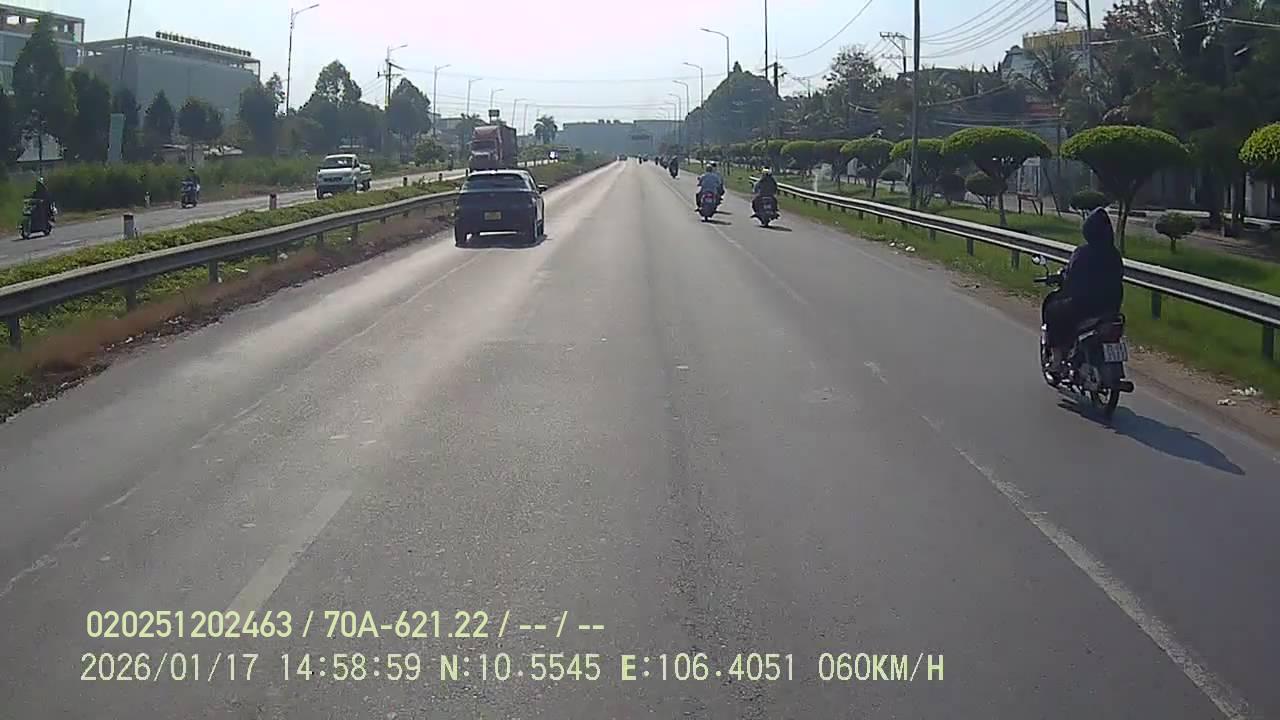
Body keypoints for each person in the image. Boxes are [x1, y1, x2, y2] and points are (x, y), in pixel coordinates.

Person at [1043, 207, 1125, 369]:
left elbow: (1071, 278)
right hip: (1111, 307)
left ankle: (1057, 357)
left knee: (1052, 310)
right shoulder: (1114, 254)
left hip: (1084, 306)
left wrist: (1062, 279)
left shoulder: (1082, 253)